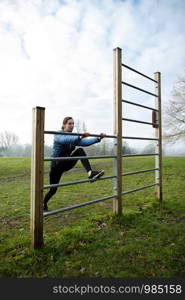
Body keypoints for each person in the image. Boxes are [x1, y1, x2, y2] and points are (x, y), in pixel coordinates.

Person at [43, 117, 106, 211]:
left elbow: (84, 142)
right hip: (56, 166)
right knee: (53, 190)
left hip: (67, 163)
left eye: (73, 124)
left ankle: (90, 173)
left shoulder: (74, 137)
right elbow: (66, 140)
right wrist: (79, 137)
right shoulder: (58, 135)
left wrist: (98, 138)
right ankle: (44, 204)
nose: (72, 125)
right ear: (64, 125)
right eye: (69, 123)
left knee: (80, 150)